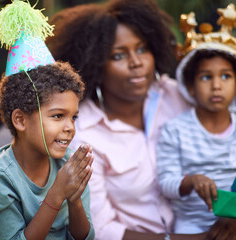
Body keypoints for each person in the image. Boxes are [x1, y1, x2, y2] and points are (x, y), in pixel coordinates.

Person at [45, 0, 215, 239]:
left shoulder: (177, 96)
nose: (136, 62)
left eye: (142, 49)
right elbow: (101, 230)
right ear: (94, 64)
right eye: (118, 55)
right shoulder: (80, 133)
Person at [0, 1, 95, 239]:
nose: (70, 128)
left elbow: (85, 236)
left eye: (73, 117)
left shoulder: (67, 163)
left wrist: (74, 200)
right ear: (20, 120)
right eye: (57, 116)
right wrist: (57, 194)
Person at [156, 5, 236, 233]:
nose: (217, 85)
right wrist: (191, 181)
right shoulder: (175, 130)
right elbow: (166, 182)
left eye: (226, 76)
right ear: (190, 86)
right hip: (192, 225)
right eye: (205, 77)